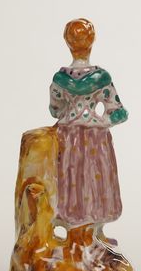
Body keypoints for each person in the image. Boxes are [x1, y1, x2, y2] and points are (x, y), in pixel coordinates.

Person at [48, 18, 129, 233]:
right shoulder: (101, 78)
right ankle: (93, 232)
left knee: (70, 179)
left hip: (68, 136)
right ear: (91, 43)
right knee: (95, 179)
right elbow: (118, 112)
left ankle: (77, 233)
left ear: (68, 43)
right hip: (95, 137)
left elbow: (54, 109)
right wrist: (102, 122)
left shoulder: (60, 79)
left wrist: (68, 114)